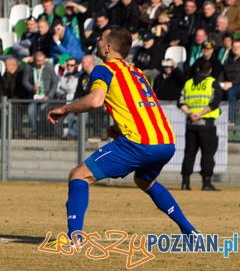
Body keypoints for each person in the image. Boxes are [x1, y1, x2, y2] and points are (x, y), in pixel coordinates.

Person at [45, 27, 198, 248]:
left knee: (78, 176)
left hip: (139, 143)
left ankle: (74, 237)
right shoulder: (137, 72)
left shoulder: (104, 70)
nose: (96, 40)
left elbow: (95, 101)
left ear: (108, 48)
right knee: (144, 180)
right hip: (165, 141)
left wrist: (65, 109)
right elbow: (141, 107)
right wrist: (119, 126)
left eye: (100, 38)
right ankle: (189, 230)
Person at [179, 58, 222, 191]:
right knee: (208, 153)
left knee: (189, 153)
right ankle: (206, 182)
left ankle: (185, 182)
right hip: (207, 124)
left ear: (197, 69)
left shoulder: (188, 83)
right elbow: (214, 102)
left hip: (191, 123)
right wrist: (201, 114)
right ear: (210, 70)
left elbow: (180, 102)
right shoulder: (213, 83)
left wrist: (191, 114)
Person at [22, 51, 58, 138]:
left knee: (43, 110)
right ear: (34, 60)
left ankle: (43, 131)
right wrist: (31, 88)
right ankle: (35, 131)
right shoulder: (29, 67)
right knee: (30, 111)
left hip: (46, 96)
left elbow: (54, 81)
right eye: (39, 61)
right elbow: (25, 81)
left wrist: (49, 96)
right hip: (34, 96)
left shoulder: (48, 67)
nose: (41, 63)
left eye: (42, 60)